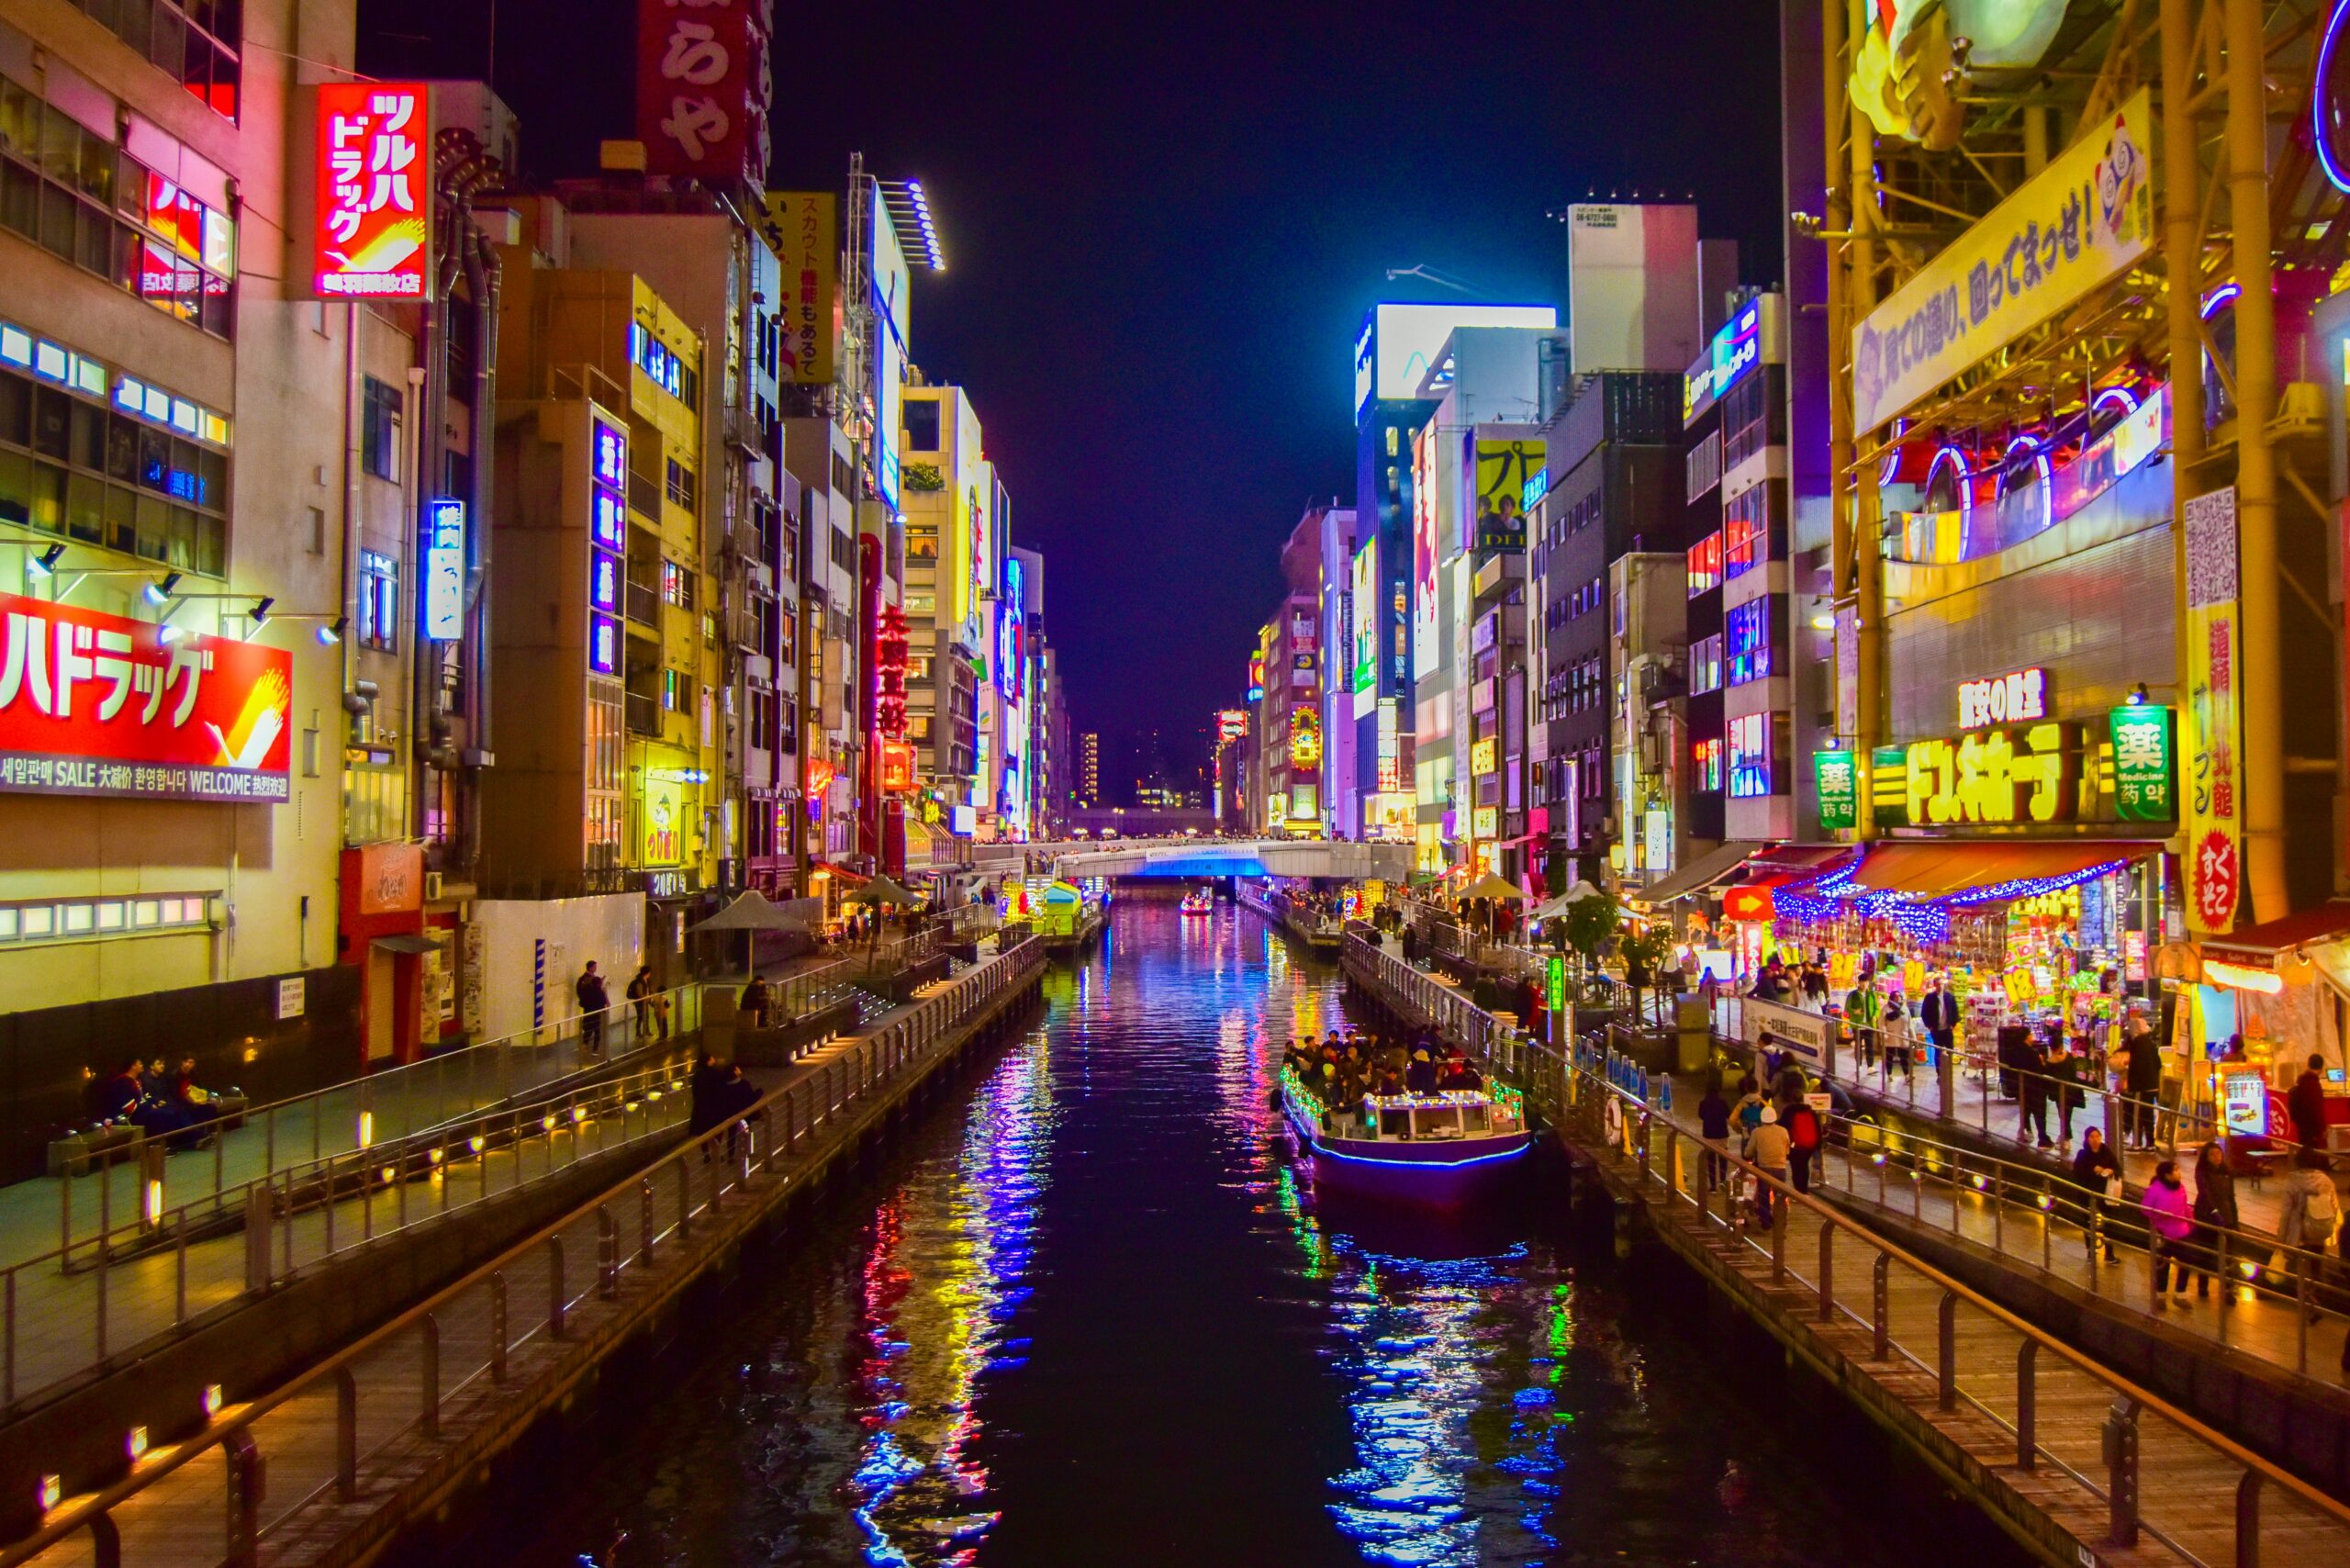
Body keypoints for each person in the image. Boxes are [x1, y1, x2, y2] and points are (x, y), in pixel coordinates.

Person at [2277, 1146, 2343, 1316]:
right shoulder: (2326, 1181)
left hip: (2299, 1234)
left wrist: (2281, 1238)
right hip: (2319, 1233)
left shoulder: (2293, 1181)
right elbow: (2335, 1209)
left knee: (2301, 1272)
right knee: (2316, 1269)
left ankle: (2308, 1305)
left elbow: (2286, 1213)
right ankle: (2317, 1301)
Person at [2189, 1137, 2238, 1301]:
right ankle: (2203, 1286)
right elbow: (2205, 1193)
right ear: (2206, 1157)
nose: (2217, 1157)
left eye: (2219, 1153)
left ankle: (2228, 1290)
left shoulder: (2226, 1173)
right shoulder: (2203, 1172)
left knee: (2229, 1255)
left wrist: (2234, 1219)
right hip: (2207, 1215)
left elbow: (2231, 1197)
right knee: (2207, 1252)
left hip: (2226, 1215)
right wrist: (2215, 1212)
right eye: (2212, 1155)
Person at [2141, 1159, 2195, 1305]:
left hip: (2182, 1232)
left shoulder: (2181, 1188)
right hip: (2163, 1233)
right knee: (2162, 1266)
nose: (2179, 1173)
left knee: (2187, 1262)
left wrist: (2191, 1222)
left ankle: (2180, 1293)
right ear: (2167, 1175)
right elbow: (2145, 1209)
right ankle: (2161, 1295)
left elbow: (2185, 1207)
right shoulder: (2154, 1189)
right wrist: (2159, 1217)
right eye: (2176, 1170)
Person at [2067, 1128, 2122, 1261]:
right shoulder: (2083, 1154)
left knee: (2109, 1222)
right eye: (2092, 1137)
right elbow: (2077, 1173)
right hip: (2088, 1194)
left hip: (2105, 1193)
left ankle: (2109, 1253)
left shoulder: (2106, 1152)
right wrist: (2093, 1171)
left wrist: (2111, 1171)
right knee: (2088, 1222)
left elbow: (2118, 1169)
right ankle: (2091, 1252)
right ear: (2087, 1139)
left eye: (2098, 1136)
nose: (2095, 1140)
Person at [1744, 1105, 1792, 1228]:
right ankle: (1781, 1221)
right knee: (1780, 1197)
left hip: (1764, 1167)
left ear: (1762, 1119)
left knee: (1763, 1195)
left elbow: (1748, 1152)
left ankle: (1765, 1221)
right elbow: (1787, 1149)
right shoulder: (1783, 1131)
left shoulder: (1757, 1132)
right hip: (1780, 1167)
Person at [1783, 1093, 1823, 1194]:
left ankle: (1798, 1191)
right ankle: (1804, 1190)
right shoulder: (1810, 1111)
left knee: (1796, 1167)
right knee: (1804, 1165)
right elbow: (1817, 1128)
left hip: (1795, 1144)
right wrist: (1818, 1145)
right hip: (1810, 1145)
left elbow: (1783, 1126)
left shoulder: (1789, 1110)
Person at [1698, 1074, 1733, 1192]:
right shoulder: (1722, 1102)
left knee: (1711, 1161)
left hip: (1709, 1135)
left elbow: (1701, 1116)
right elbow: (1729, 1115)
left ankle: (1713, 1185)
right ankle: (1723, 1181)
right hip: (1722, 1134)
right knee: (1723, 1160)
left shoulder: (1703, 1103)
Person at [2288, 1053, 2330, 1151]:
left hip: (2301, 1124)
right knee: (2312, 1151)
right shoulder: (2314, 1084)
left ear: (2308, 1064)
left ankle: (2303, 1165)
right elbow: (2317, 1109)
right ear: (2322, 1067)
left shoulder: (2301, 1081)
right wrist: (2322, 1128)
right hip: (2312, 1127)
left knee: (2304, 1147)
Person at [1919, 977, 1959, 1071]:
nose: (1940, 987)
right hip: (1936, 1029)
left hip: (1947, 1029)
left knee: (1950, 1049)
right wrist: (1930, 1026)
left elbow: (1955, 1011)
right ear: (1934, 985)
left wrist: (1952, 1024)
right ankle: (1939, 1071)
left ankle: (1949, 1070)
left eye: (1941, 984)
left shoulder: (1949, 997)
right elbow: (1924, 1013)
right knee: (1938, 1051)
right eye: (1938, 985)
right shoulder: (1930, 998)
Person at [576, 961, 610, 1058]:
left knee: (588, 1028)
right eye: (594, 967)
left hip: (588, 1008)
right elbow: (602, 1000)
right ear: (590, 967)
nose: (596, 968)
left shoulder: (588, 986)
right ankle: (594, 1049)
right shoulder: (586, 980)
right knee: (596, 1030)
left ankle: (585, 1045)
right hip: (594, 1011)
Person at [627, 966, 658, 1039]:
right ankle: (638, 1033)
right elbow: (640, 993)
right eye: (649, 972)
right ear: (647, 973)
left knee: (646, 1016)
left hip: (645, 1001)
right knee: (640, 1017)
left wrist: (651, 996)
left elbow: (649, 989)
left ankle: (646, 1031)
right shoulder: (639, 982)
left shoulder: (646, 980)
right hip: (640, 1002)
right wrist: (647, 998)